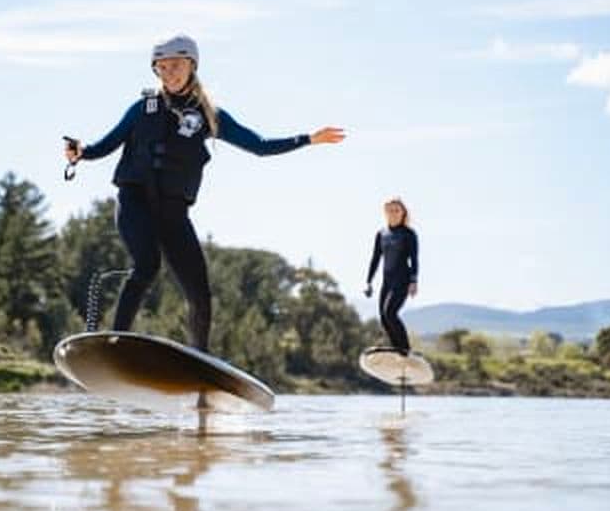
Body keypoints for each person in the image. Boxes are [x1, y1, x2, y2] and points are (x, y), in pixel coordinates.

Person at [64, 34, 345, 352]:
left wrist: (308, 138)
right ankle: (116, 343)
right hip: (135, 203)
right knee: (147, 264)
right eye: (162, 67)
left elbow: (259, 146)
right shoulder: (142, 109)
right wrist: (80, 152)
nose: (169, 73)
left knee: (199, 292)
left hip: (173, 212)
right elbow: (104, 146)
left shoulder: (209, 114)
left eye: (176, 66)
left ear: (192, 66)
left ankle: (199, 360)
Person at [364, 197, 418, 354]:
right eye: (390, 210)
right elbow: (375, 258)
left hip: (403, 279)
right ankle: (398, 349)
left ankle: (405, 349)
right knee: (383, 317)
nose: (393, 213)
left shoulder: (409, 234)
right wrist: (368, 281)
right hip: (387, 281)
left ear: (403, 213)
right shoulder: (381, 234)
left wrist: (414, 281)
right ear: (385, 212)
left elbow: (414, 258)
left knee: (390, 313)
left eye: (397, 210)